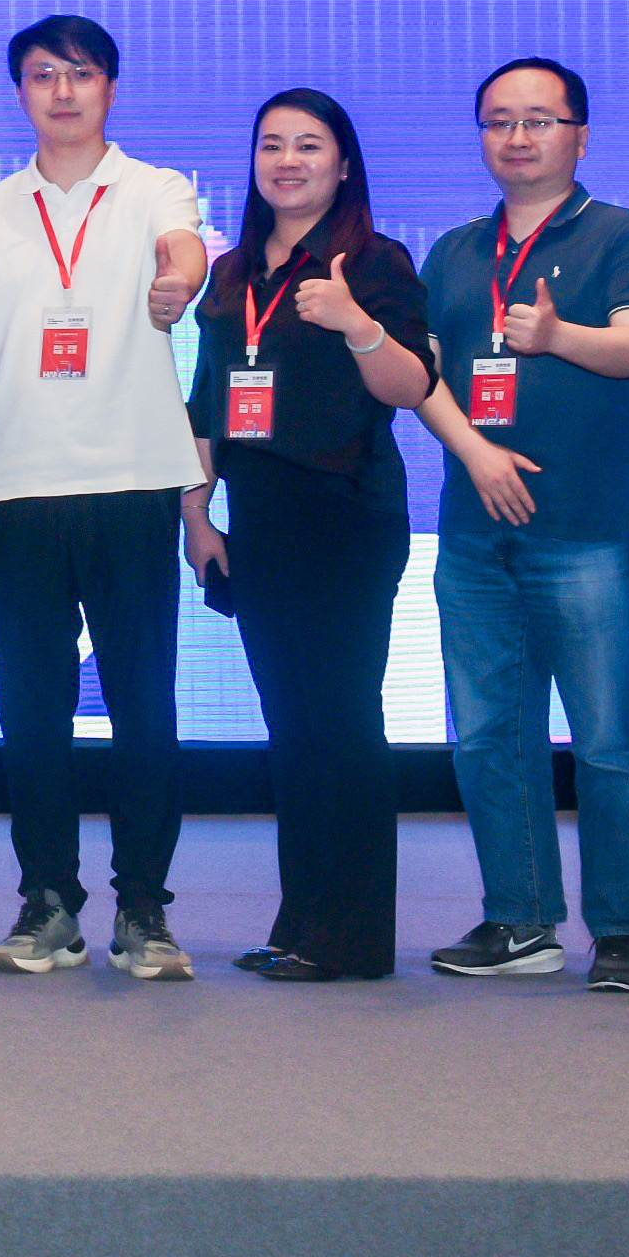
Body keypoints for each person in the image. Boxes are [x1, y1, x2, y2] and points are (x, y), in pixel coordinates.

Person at [413, 56, 629, 994]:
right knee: (489, 733)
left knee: (607, 738)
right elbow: (422, 375)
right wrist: (477, 455)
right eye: (498, 121)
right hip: (474, 528)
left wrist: (557, 335)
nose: (516, 138)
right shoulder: (454, 251)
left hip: (590, 527)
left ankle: (621, 931)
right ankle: (521, 918)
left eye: (537, 120)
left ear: (581, 135)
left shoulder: (622, 235)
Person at [0, 15, 209, 982]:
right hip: (22, 487)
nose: (62, 92)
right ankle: (48, 901)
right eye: (42, 75)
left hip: (134, 480)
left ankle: (145, 907)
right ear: (20, 91)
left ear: (111, 86)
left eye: (81, 73)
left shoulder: (154, 188)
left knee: (145, 705)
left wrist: (177, 282)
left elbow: (184, 253)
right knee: (33, 710)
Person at [179, 90, 432, 982]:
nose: (288, 162)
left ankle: (353, 938)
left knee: (342, 721)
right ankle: (301, 922)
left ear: (344, 163)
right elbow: (209, 399)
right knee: (290, 726)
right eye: (272, 145)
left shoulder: (377, 263)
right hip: (259, 518)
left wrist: (358, 324)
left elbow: (411, 385)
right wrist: (197, 513)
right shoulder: (232, 274)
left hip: (346, 515)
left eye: (309, 146)